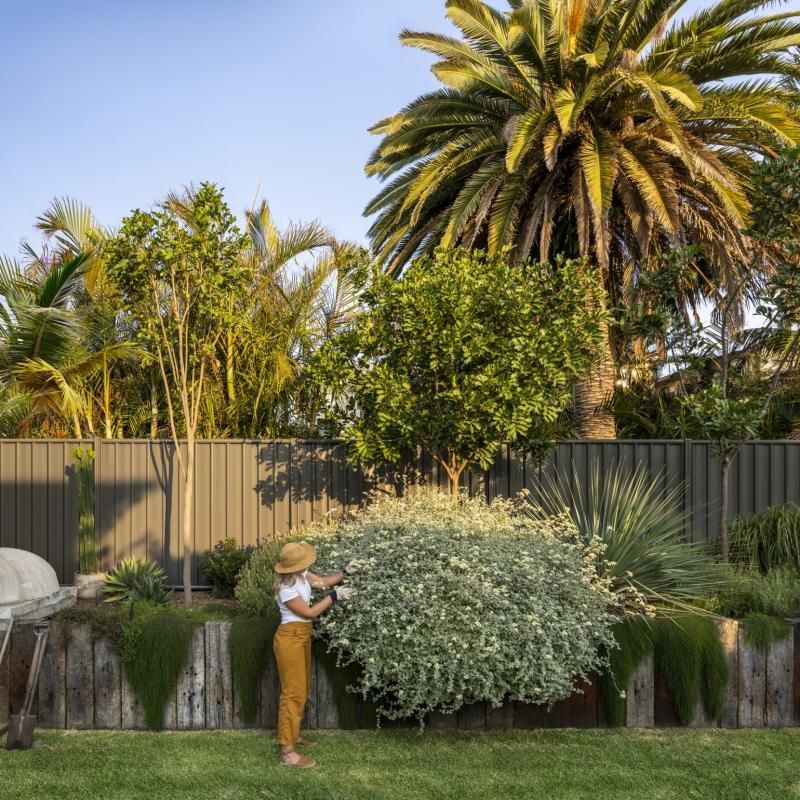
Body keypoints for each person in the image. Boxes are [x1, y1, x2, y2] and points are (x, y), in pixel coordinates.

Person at [272, 541, 361, 768]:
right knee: (291, 693)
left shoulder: (302, 574)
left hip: (302, 636)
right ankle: (287, 751)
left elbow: (322, 582)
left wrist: (344, 572)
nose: (305, 566)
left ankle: (294, 734)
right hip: (289, 638)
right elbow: (310, 612)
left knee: (301, 689)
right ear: (290, 567)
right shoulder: (286, 589)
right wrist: (334, 596)